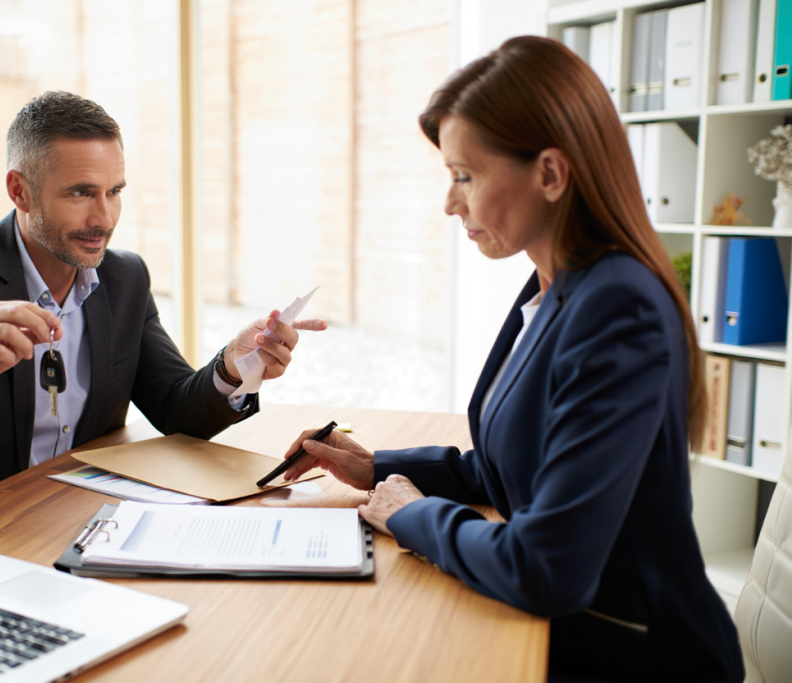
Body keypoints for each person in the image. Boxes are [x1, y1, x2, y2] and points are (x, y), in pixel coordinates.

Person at [281, 37, 743, 682]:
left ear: (550, 174)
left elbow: (548, 569)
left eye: (464, 176)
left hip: (634, 655)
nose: (450, 203)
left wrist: (412, 515)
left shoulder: (619, 309)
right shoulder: (553, 285)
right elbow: (526, 465)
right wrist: (377, 467)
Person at [0, 90, 325, 515]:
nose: (105, 218)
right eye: (81, 193)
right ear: (20, 191)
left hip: (83, 517)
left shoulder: (124, 278)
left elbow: (175, 411)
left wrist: (234, 367)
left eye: (114, 192)